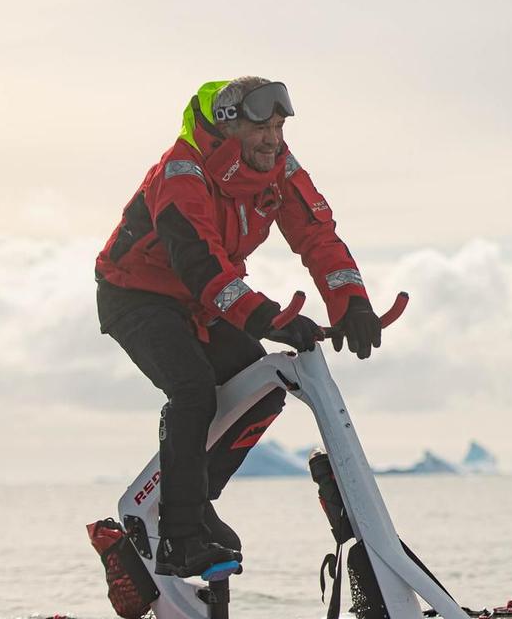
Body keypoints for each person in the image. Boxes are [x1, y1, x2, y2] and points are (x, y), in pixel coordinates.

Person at [95, 77, 384, 577]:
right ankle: (179, 538)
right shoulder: (181, 171)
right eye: (261, 128)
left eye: (278, 126)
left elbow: (316, 233)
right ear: (228, 128)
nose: (273, 139)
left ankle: (195, 501)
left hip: (199, 303)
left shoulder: (277, 166)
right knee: (192, 389)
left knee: (262, 389)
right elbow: (201, 265)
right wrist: (266, 318)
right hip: (136, 294)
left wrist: (351, 303)